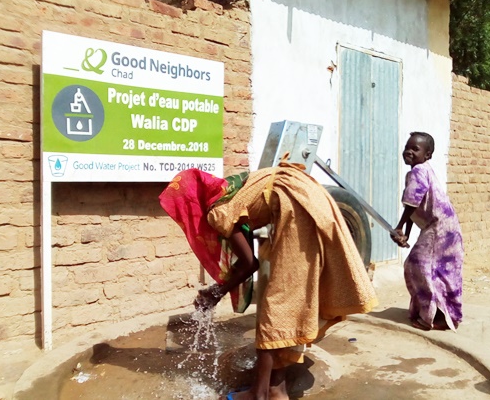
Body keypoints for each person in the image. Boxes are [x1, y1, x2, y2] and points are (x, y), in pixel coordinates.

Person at [159, 160, 378, 400]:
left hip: (298, 208)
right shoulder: (230, 192)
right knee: (289, 301)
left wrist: (216, 293)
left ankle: (258, 394)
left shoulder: (218, 210)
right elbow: (249, 254)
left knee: (276, 307)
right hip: (305, 197)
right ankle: (277, 388)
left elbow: (248, 263)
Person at [391, 132, 464, 331]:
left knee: (417, 266)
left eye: (415, 149)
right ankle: (443, 314)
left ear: (428, 154)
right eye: (407, 147)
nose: (409, 151)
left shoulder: (418, 171)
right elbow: (414, 206)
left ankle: (430, 317)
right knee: (439, 271)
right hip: (446, 228)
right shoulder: (423, 170)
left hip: (439, 228)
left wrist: (399, 227)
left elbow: (412, 202)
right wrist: (405, 232)